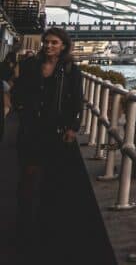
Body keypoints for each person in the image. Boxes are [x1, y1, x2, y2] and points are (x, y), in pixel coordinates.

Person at [11, 27, 84, 255]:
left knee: (53, 179)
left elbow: (77, 102)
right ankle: (24, 224)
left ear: (63, 45)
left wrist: (73, 128)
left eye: (54, 43)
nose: (49, 46)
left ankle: (46, 226)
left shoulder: (72, 70)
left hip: (56, 131)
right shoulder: (31, 66)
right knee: (29, 175)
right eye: (47, 42)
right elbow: (17, 92)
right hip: (32, 129)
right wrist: (22, 110)